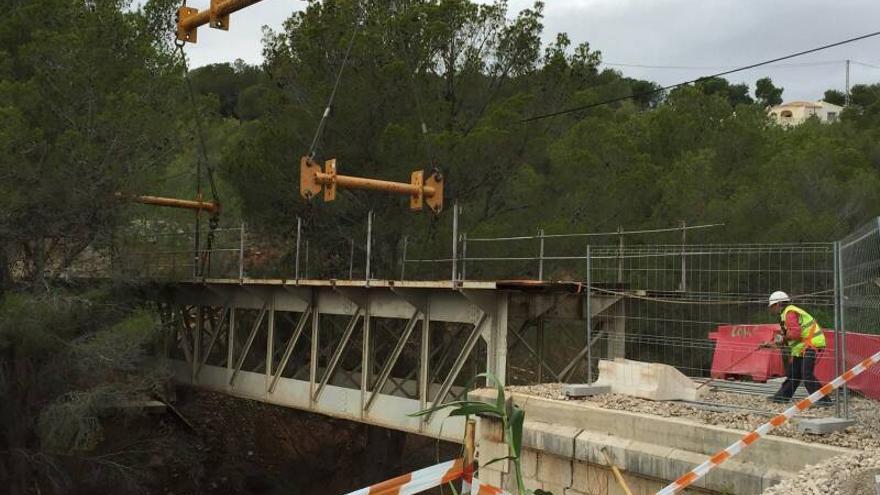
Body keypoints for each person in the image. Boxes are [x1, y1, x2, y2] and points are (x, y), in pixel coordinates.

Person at [766, 291, 832, 405]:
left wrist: (781, 339)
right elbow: (788, 337)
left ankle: (824, 401)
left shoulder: (790, 313)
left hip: (812, 344)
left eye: (772, 306)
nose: (771, 309)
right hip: (804, 347)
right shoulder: (786, 314)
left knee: (806, 374)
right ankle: (781, 398)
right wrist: (770, 343)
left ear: (778, 304)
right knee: (794, 373)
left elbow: (796, 334)